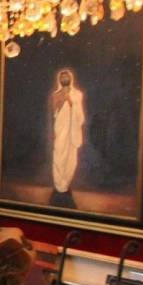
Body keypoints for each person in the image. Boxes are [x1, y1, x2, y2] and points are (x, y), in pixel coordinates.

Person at [49, 69, 85, 208]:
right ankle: (59, 186)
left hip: (73, 132)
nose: (64, 78)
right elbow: (54, 112)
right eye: (62, 77)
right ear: (59, 79)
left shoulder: (77, 94)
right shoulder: (55, 94)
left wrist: (70, 100)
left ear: (71, 78)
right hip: (60, 130)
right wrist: (61, 98)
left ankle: (65, 184)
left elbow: (80, 116)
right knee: (59, 156)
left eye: (66, 76)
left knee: (71, 159)